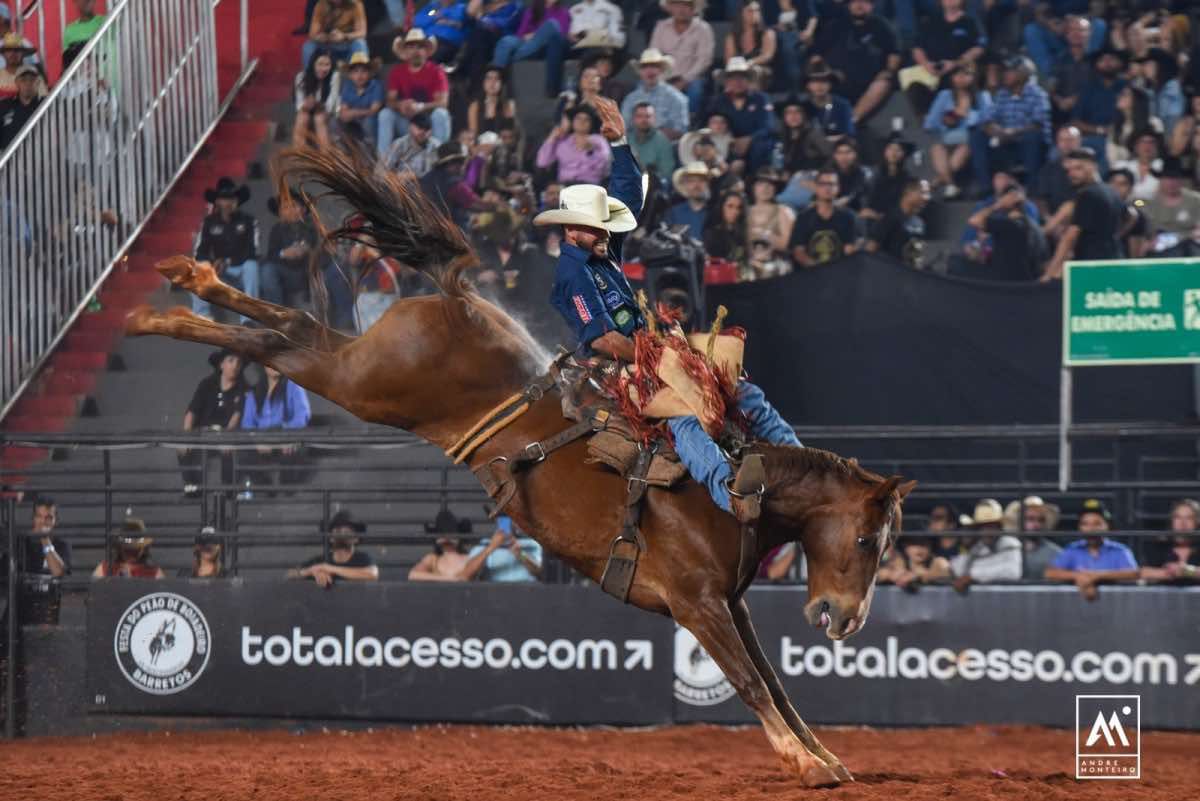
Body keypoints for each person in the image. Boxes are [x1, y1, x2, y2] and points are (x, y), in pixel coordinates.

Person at [533, 96, 799, 523]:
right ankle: (728, 491)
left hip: (652, 349)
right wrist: (660, 356)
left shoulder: (598, 247)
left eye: (604, 225)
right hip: (619, 367)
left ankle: (801, 461)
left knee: (743, 390)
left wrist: (619, 143)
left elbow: (627, 201)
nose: (606, 232)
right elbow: (602, 338)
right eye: (596, 226)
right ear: (571, 230)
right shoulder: (573, 273)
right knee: (681, 413)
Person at [1042, 148, 1128, 280]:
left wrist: (1050, 273)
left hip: (1092, 267)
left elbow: (1070, 237)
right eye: (1069, 170)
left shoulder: (1087, 194)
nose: (1072, 174)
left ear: (1093, 166)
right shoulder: (1112, 192)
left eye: (1078, 168)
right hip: (1115, 260)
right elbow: (1130, 216)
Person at [808, 0, 899, 125]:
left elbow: (893, 54)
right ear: (849, 5)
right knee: (817, 78)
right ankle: (821, 120)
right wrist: (826, 72)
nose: (859, 5)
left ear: (871, 5)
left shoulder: (882, 27)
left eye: (864, 2)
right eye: (855, 1)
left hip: (869, 83)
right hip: (836, 80)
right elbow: (816, 55)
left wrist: (889, 71)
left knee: (884, 82)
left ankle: (850, 121)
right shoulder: (836, 25)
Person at [971, 56, 1050, 194]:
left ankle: (1032, 189)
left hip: (1028, 140)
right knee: (978, 135)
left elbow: (1038, 124)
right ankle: (986, 187)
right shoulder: (1003, 94)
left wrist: (1012, 132)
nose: (1005, 75)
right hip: (1005, 140)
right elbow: (988, 118)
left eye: (1010, 71)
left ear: (1024, 73)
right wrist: (993, 128)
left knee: (1033, 137)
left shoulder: (1038, 94)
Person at [179, 349, 249, 496]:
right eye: (231, 361)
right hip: (203, 433)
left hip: (227, 436)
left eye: (238, 362)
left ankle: (229, 491)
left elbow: (237, 416)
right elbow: (192, 411)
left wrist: (226, 437)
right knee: (184, 450)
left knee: (230, 452)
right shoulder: (207, 384)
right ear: (221, 364)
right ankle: (193, 489)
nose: (235, 365)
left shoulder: (243, 389)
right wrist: (186, 437)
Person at [238, 364, 312, 497]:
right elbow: (247, 423)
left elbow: (302, 416)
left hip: (286, 436)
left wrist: (288, 437)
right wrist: (257, 441)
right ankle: (267, 488)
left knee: (292, 451)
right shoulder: (254, 392)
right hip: (263, 439)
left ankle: (287, 490)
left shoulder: (293, 386)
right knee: (243, 455)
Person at [192, 177, 261, 319]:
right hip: (218, 272)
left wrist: (227, 261)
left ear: (237, 201)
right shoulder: (208, 222)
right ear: (217, 201)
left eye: (231, 199)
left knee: (252, 266)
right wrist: (211, 263)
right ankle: (202, 316)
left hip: (240, 271)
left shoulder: (249, 221)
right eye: (224, 199)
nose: (228, 203)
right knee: (197, 267)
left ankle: (248, 317)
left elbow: (253, 251)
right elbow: (200, 251)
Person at [1044, 498, 1138, 600]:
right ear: (1079, 527)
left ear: (1107, 526)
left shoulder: (1120, 551)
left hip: (1116, 605)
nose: (1091, 529)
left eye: (1097, 524)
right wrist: (1078, 576)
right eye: (1085, 524)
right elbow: (1050, 573)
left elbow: (1133, 574)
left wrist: (1096, 576)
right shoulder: (1072, 549)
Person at [924, 63, 992, 199]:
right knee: (936, 148)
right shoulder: (945, 95)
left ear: (974, 77)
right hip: (947, 136)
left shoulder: (982, 96)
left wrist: (966, 115)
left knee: (966, 147)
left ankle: (938, 184)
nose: (961, 77)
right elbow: (929, 123)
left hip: (970, 137)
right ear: (952, 77)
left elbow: (988, 119)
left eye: (966, 74)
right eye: (957, 74)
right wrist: (946, 120)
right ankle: (948, 185)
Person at [379, 30, 451, 156]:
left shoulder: (436, 71)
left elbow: (443, 102)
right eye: (411, 47)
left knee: (441, 114)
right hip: (407, 123)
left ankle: (440, 159)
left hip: (429, 125)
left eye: (420, 47)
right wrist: (400, 104)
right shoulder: (397, 71)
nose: (415, 51)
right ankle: (383, 162)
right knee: (386, 114)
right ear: (405, 51)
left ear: (426, 51)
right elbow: (390, 100)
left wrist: (421, 107)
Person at [962, 183, 1047, 281]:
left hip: (1006, 287)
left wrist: (997, 205)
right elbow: (1043, 262)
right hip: (1029, 287)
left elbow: (974, 220)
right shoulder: (1036, 228)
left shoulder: (1007, 225)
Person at [544, 0, 625, 98]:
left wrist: (601, 37)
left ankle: (580, 91)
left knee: (592, 51)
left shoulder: (611, 9)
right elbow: (567, 31)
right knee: (555, 40)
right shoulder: (574, 9)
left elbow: (619, 37)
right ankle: (553, 89)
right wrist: (570, 35)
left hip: (599, 44)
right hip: (577, 43)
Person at [705, 57, 772, 171]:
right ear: (727, 81)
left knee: (761, 146)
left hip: (755, 143)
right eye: (733, 78)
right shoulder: (718, 101)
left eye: (742, 77)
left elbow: (768, 126)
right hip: (726, 143)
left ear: (748, 80)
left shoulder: (761, 98)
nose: (737, 82)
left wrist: (749, 139)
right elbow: (706, 123)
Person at [649, 0, 715, 115]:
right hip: (665, 77)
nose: (681, 9)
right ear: (670, 7)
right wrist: (662, 79)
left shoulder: (703, 29)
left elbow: (704, 60)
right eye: (677, 4)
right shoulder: (661, 27)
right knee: (643, 86)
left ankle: (690, 122)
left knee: (696, 90)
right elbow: (654, 55)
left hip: (692, 77)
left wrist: (685, 80)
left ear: (693, 8)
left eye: (686, 5)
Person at [788, 167, 860, 268]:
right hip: (811, 273)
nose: (827, 188)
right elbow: (799, 252)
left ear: (838, 188)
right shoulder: (803, 218)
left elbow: (849, 250)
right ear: (816, 187)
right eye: (823, 184)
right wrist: (818, 268)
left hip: (839, 272)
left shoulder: (848, 217)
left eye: (831, 184)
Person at [288, 511, 379, 586]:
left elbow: (373, 574)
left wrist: (329, 568)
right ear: (330, 538)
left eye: (347, 531)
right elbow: (289, 574)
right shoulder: (320, 561)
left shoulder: (363, 558)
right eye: (337, 531)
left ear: (356, 539)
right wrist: (312, 571)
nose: (342, 534)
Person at [950, 498, 1022, 592]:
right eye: (983, 527)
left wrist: (972, 576)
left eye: (991, 526)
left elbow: (1012, 572)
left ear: (999, 527)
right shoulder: (979, 546)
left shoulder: (1011, 543)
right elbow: (959, 568)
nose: (987, 531)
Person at [492, 0, 570, 86]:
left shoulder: (563, 13)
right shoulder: (531, 10)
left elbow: (561, 36)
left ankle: (509, 59)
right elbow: (520, 34)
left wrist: (536, 35)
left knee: (551, 24)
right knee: (506, 40)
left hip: (544, 47)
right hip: (526, 44)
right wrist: (527, 37)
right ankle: (494, 79)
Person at [17, 498, 71, 624]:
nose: (43, 522)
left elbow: (58, 572)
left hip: (47, 611)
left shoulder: (62, 545)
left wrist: (45, 540)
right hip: (19, 611)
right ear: (33, 518)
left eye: (48, 517)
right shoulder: (20, 543)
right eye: (39, 516)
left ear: (55, 520)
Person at [260, 195, 318, 308]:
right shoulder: (276, 229)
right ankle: (277, 312)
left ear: (303, 209)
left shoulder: (312, 225)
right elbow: (271, 255)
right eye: (285, 207)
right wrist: (283, 253)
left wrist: (306, 249)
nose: (290, 210)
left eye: (294, 205)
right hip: (286, 274)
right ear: (280, 212)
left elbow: (315, 244)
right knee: (267, 270)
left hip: (308, 273)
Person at [620, 49, 689, 142]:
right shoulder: (630, 99)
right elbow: (623, 128)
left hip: (664, 146)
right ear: (640, 72)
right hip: (636, 145)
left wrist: (651, 137)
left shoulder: (676, 98)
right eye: (645, 66)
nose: (649, 70)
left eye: (654, 66)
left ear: (662, 70)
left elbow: (680, 131)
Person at [535, 104, 612, 186]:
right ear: (572, 121)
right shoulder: (562, 141)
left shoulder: (599, 141)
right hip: (565, 185)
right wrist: (552, 137)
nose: (581, 122)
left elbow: (605, 169)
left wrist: (591, 152)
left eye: (587, 119)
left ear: (591, 123)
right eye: (578, 118)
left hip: (589, 186)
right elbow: (542, 162)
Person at [420, 142, 490, 228]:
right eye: (462, 162)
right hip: (450, 234)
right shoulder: (455, 185)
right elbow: (477, 205)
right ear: (453, 163)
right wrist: (498, 207)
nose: (464, 166)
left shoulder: (427, 178)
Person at [867, 179, 931, 270]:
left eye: (928, 194)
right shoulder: (890, 218)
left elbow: (917, 256)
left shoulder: (920, 224)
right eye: (923, 193)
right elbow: (870, 250)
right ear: (908, 192)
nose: (927, 198)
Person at [408, 508, 479, 581]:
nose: (447, 539)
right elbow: (413, 574)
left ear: (459, 538)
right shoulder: (433, 559)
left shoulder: (468, 558)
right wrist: (451, 579)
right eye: (442, 535)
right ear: (436, 539)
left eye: (451, 535)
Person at [465, 516, 543, 582]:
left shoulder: (531, 543)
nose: (506, 521)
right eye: (503, 517)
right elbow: (466, 575)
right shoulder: (484, 544)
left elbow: (541, 572)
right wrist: (491, 547)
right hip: (495, 595)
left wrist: (521, 554)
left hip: (528, 593)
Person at [745, 167, 795, 268]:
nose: (765, 188)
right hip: (748, 266)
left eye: (770, 184)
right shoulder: (744, 211)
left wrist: (762, 234)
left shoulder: (783, 211)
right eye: (760, 183)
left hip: (777, 267)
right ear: (753, 187)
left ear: (776, 188)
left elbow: (788, 245)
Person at [1141, 499, 1200, 583]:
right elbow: (1144, 572)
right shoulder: (1160, 545)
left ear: (1197, 522)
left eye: (1189, 518)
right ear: (1172, 520)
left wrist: (1188, 571)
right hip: (1163, 595)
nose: (1182, 523)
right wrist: (1170, 572)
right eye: (1178, 517)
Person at [1141, 157, 1200, 240]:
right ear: (1160, 179)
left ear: (1181, 179)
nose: (1171, 182)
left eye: (1176, 177)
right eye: (1167, 177)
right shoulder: (1147, 200)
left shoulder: (1196, 200)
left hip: (1188, 245)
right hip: (1155, 246)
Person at [724, 1, 777, 92]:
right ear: (741, 13)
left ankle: (752, 99)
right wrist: (739, 67)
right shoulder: (732, 36)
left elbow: (767, 55)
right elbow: (729, 60)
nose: (754, 14)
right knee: (727, 75)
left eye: (757, 11)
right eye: (750, 11)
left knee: (754, 71)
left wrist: (750, 63)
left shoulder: (767, 33)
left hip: (761, 70)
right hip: (738, 69)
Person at [862, 133, 916, 221]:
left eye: (898, 150)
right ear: (885, 151)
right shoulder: (873, 173)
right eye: (890, 148)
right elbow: (864, 197)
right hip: (869, 216)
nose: (893, 153)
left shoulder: (907, 178)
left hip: (893, 219)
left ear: (904, 154)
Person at [294, 49, 340, 150]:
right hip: (308, 110)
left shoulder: (335, 76)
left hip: (327, 111)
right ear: (313, 64)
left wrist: (318, 104)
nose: (323, 69)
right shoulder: (301, 77)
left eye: (327, 64)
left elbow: (331, 105)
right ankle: (300, 154)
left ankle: (326, 156)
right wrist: (306, 104)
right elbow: (299, 104)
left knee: (318, 118)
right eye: (320, 64)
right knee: (302, 117)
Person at [1033, 124, 1083, 218]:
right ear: (1057, 143)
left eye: (1071, 140)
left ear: (1079, 141)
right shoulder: (1048, 169)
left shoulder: (1089, 168)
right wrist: (1048, 219)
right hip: (1055, 221)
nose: (1067, 144)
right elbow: (1041, 198)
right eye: (1062, 140)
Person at [301, 0, 368, 69]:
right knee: (308, 46)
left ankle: (359, 75)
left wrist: (344, 36)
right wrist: (324, 37)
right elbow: (312, 34)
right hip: (327, 43)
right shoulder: (321, 4)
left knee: (360, 43)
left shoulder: (355, 4)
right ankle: (309, 77)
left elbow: (362, 33)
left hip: (347, 43)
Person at [336, 51, 384, 148]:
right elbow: (344, 111)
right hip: (353, 121)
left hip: (370, 121)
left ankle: (371, 156)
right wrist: (349, 113)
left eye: (363, 71)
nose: (359, 75)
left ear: (370, 73)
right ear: (350, 75)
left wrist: (353, 112)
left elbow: (374, 110)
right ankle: (343, 154)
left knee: (369, 122)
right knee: (335, 121)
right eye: (355, 71)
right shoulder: (347, 86)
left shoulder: (375, 85)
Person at [1008, 495, 1062, 580]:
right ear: (1019, 520)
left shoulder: (1056, 553)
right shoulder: (1008, 549)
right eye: (1030, 519)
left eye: (1040, 520)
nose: (1036, 525)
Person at [92, 519, 165, 579]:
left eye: (136, 549)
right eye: (128, 549)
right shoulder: (104, 569)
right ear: (120, 548)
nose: (131, 553)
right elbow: (94, 593)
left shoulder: (154, 573)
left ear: (143, 549)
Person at [802, 59, 854, 141]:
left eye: (824, 81)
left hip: (836, 150)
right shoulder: (803, 107)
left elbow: (848, 135)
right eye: (815, 81)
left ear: (830, 84)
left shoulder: (842, 105)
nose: (819, 85)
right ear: (807, 85)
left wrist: (824, 141)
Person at [1106, 167, 1150, 259]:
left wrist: (1130, 222)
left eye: (1122, 184)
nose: (1116, 187)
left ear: (1130, 189)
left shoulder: (1137, 216)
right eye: (1113, 183)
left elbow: (1135, 254)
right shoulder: (1095, 209)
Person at [877, 535, 951, 590]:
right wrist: (892, 575)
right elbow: (879, 574)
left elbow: (946, 573)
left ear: (931, 546)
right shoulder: (899, 561)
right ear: (905, 546)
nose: (919, 548)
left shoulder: (938, 561)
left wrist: (918, 577)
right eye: (914, 543)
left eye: (924, 544)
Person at [702, 189, 749, 271]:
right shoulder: (712, 234)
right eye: (730, 206)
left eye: (738, 208)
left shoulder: (744, 231)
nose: (735, 211)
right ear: (721, 207)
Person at [466, 64, 518, 138]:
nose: (492, 82)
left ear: (501, 83)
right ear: (483, 82)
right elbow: (473, 134)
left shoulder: (509, 104)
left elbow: (512, 132)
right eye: (489, 78)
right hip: (481, 145)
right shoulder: (475, 106)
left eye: (497, 78)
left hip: (502, 145)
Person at [664, 161, 712, 241]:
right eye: (691, 181)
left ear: (707, 184)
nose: (697, 185)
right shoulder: (673, 213)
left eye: (701, 180)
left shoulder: (715, 212)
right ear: (684, 185)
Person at [629, 102, 676, 182]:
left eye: (648, 116)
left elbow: (666, 173)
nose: (644, 120)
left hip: (653, 185)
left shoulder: (662, 141)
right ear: (633, 119)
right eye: (639, 116)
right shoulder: (626, 139)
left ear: (654, 118)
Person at [412, 0, 469, 64]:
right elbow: (416, 21)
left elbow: (467, 26)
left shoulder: (462, 8)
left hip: (446, 42)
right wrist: (434, 17)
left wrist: (451, 23)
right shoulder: (432, 6)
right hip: (426, 39)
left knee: (432, 56)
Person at [385, 110, 440, 177]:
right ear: (410, 126)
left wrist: (413, 175)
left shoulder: (436, 146)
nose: (423, 132)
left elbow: (438, 173)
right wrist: (396, 177)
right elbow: (383, 171)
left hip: (426, 183)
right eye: (420, 127)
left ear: (431, 131)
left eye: (426, 129)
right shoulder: (399, 144)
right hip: (400, 183)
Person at [0, 63, 40, 149]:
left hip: (40, 158)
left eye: (32, 79)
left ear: (38, 82)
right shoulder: (4, 105)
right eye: (23, 80)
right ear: (17, 82)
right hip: (9, 160)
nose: (28, 83)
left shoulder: (46, 104)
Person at [0, 32, 45, 101]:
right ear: (3, 54)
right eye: (9, 50)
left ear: (24, 53)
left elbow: (44, 101)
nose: (13, 53)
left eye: (17, 50)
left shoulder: (35, 76)